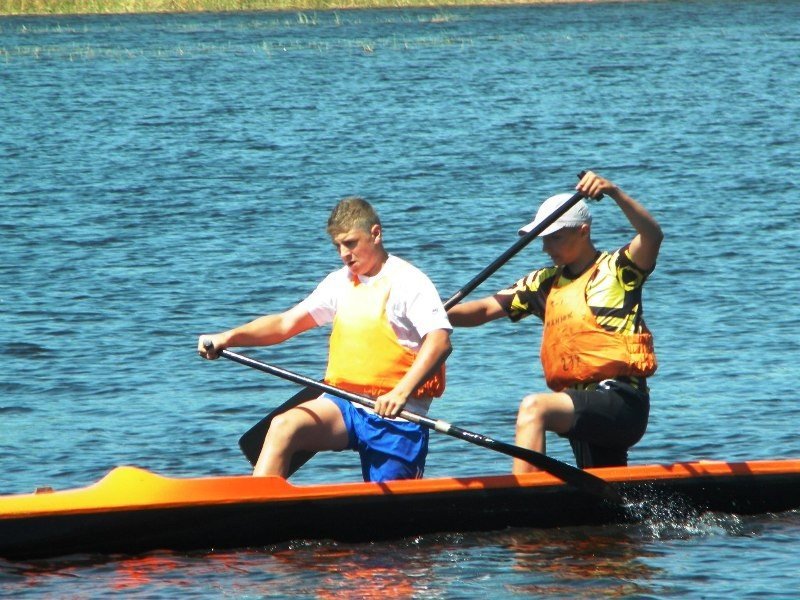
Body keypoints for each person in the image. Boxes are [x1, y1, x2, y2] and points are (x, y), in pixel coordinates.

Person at [198, 197, 452, 483]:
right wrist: (228, 337)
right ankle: (257, 512)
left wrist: (401, 392)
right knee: (285, 425)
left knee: (388, 518)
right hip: (345, 404)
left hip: (399, 415)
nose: (344, 254)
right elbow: (284, 323)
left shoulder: (409, 282)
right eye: (338, 246)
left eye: (351, 243)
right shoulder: (339, 283)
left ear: (376, 234)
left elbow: (440, 341)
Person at [447, 171, 662, 472]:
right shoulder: (543, 284)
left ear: (584, 231)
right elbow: (483, 310)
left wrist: (613, 192)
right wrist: (434, 315)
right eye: (544, 239)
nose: (547, 248)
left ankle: (523, 504)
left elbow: (652, 235)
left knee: (535, 409)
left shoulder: (619, 270)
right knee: (603, 489)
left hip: (622, 400)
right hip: (581, 402)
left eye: (555, 237)